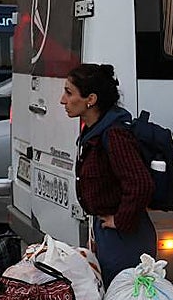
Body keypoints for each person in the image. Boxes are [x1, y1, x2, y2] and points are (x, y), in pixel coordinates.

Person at [62, 63, 155, 287]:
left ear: (90, 99)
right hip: (106, 233)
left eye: (68, 93)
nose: (62, 100)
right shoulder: (94, 131)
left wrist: (121, 220)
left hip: (125, 239)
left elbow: (141, 184)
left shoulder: (114, 135)